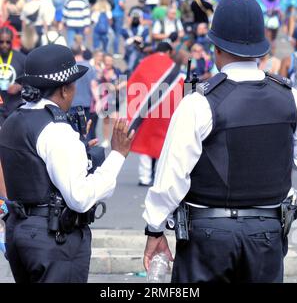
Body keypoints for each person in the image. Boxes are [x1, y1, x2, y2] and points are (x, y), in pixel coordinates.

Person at [143, 0, 297, 283]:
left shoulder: (200, 102)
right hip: (266, 235)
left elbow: (171, 176)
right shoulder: (291, 98)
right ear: (262, 49)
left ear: (215, 47)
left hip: (209, 238)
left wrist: (154, 228)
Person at [0, 44, 134, 283]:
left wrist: (79, 149)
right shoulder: (56, 130)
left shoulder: (14, 119)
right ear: (64, 89)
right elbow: (80, 198)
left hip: (19, 230)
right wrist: (117, 155)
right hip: (54, 239)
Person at [127, 41, 185, 186]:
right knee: (162, 143)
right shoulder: (173, 66)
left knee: (146, 144)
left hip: (147, 110)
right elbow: (183, 85)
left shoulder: (145, 62)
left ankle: (144, 177)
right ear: (169, 52)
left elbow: (132, 82)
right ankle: (159, 178)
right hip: (167, 110)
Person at [0, 26, 25, 127]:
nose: (4, 45)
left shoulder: (22, 58)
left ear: (12, 41)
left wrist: (19, 87)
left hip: (15, 108)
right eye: (1, 42)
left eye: (7, 42)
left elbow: (31, 81)